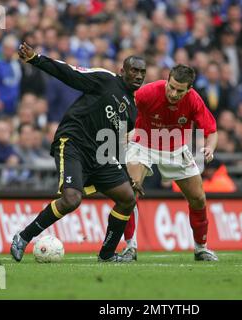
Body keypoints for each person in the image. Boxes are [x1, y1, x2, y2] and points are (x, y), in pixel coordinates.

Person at [10, 42, 146, 263]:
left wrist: (125, 174)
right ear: (123, 71)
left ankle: (107, 255)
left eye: (142, 72)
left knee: (127, 197)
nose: (139, 75)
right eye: (134, 70)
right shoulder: (106, 79)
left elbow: (117, 143)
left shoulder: (132, 110)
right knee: (72, 199)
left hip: (100, 154)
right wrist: (36, 59)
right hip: (73, 142)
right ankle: (23, 237)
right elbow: (69, 74)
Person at [121, 65, 219, 262]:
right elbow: (123, 107)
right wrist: (125, 129)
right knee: (129, 195)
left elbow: (212, 130)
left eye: (180, 90)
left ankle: (201, 249)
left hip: (175, 149)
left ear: (189, 89)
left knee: (198, 199)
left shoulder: (194, 100)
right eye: (171, 87)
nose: (174, 93)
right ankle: (129, 248)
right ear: (167, 80)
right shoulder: (148, 92)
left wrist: (210, 148)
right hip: (143, 145)